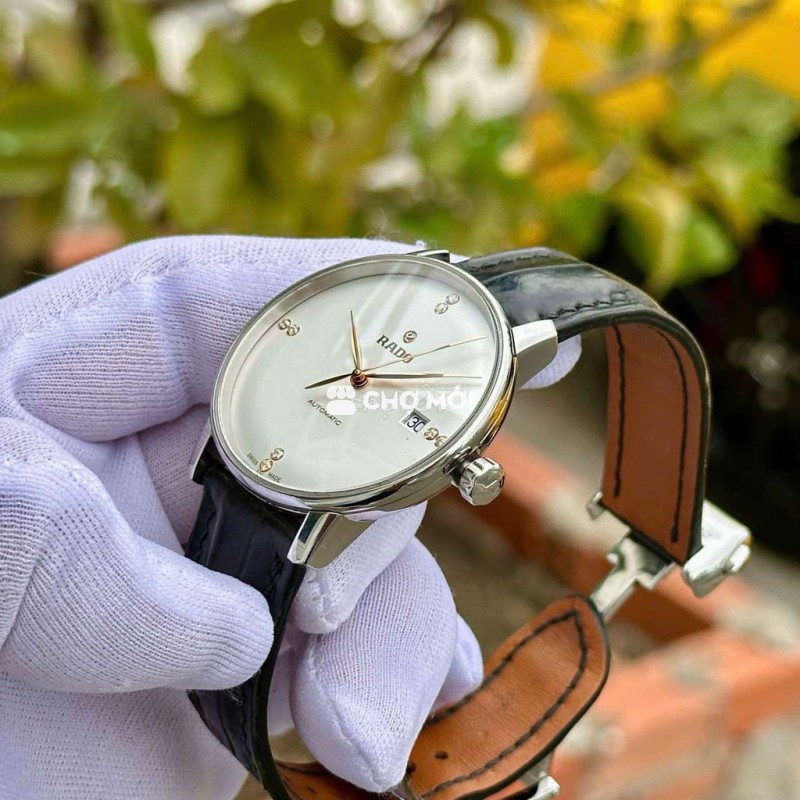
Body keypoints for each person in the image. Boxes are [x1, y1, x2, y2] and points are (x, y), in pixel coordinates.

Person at [0, 236, 578, 800]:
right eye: (361, 368)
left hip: (308, 478)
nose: (363, 378)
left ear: (470, 469)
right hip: (243, 452)